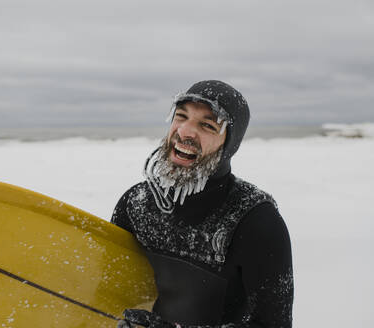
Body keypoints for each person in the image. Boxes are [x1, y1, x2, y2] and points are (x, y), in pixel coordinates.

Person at [111, 80, 294, 328]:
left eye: (207, 125)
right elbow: (109, 293)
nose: (185, 132)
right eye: (180, 116)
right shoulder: (137, 204)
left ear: (229, 142)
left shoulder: (255, 220)